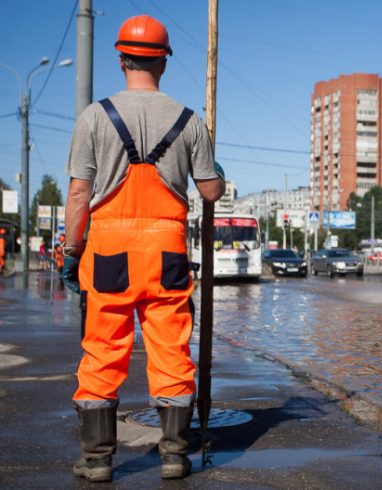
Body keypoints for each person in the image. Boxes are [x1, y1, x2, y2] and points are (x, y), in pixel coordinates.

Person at [62, 15, 225, 483]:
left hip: (109, 251)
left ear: (120, 58)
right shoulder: (190, 122)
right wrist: (217, 169)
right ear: (165, 62)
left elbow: (78, 195)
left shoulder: (94, 117)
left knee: (102, 350)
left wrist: (74, 252)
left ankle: (96, 460)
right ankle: (174, 453)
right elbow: (210, 191)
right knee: (171, 348)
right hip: (167, 253)